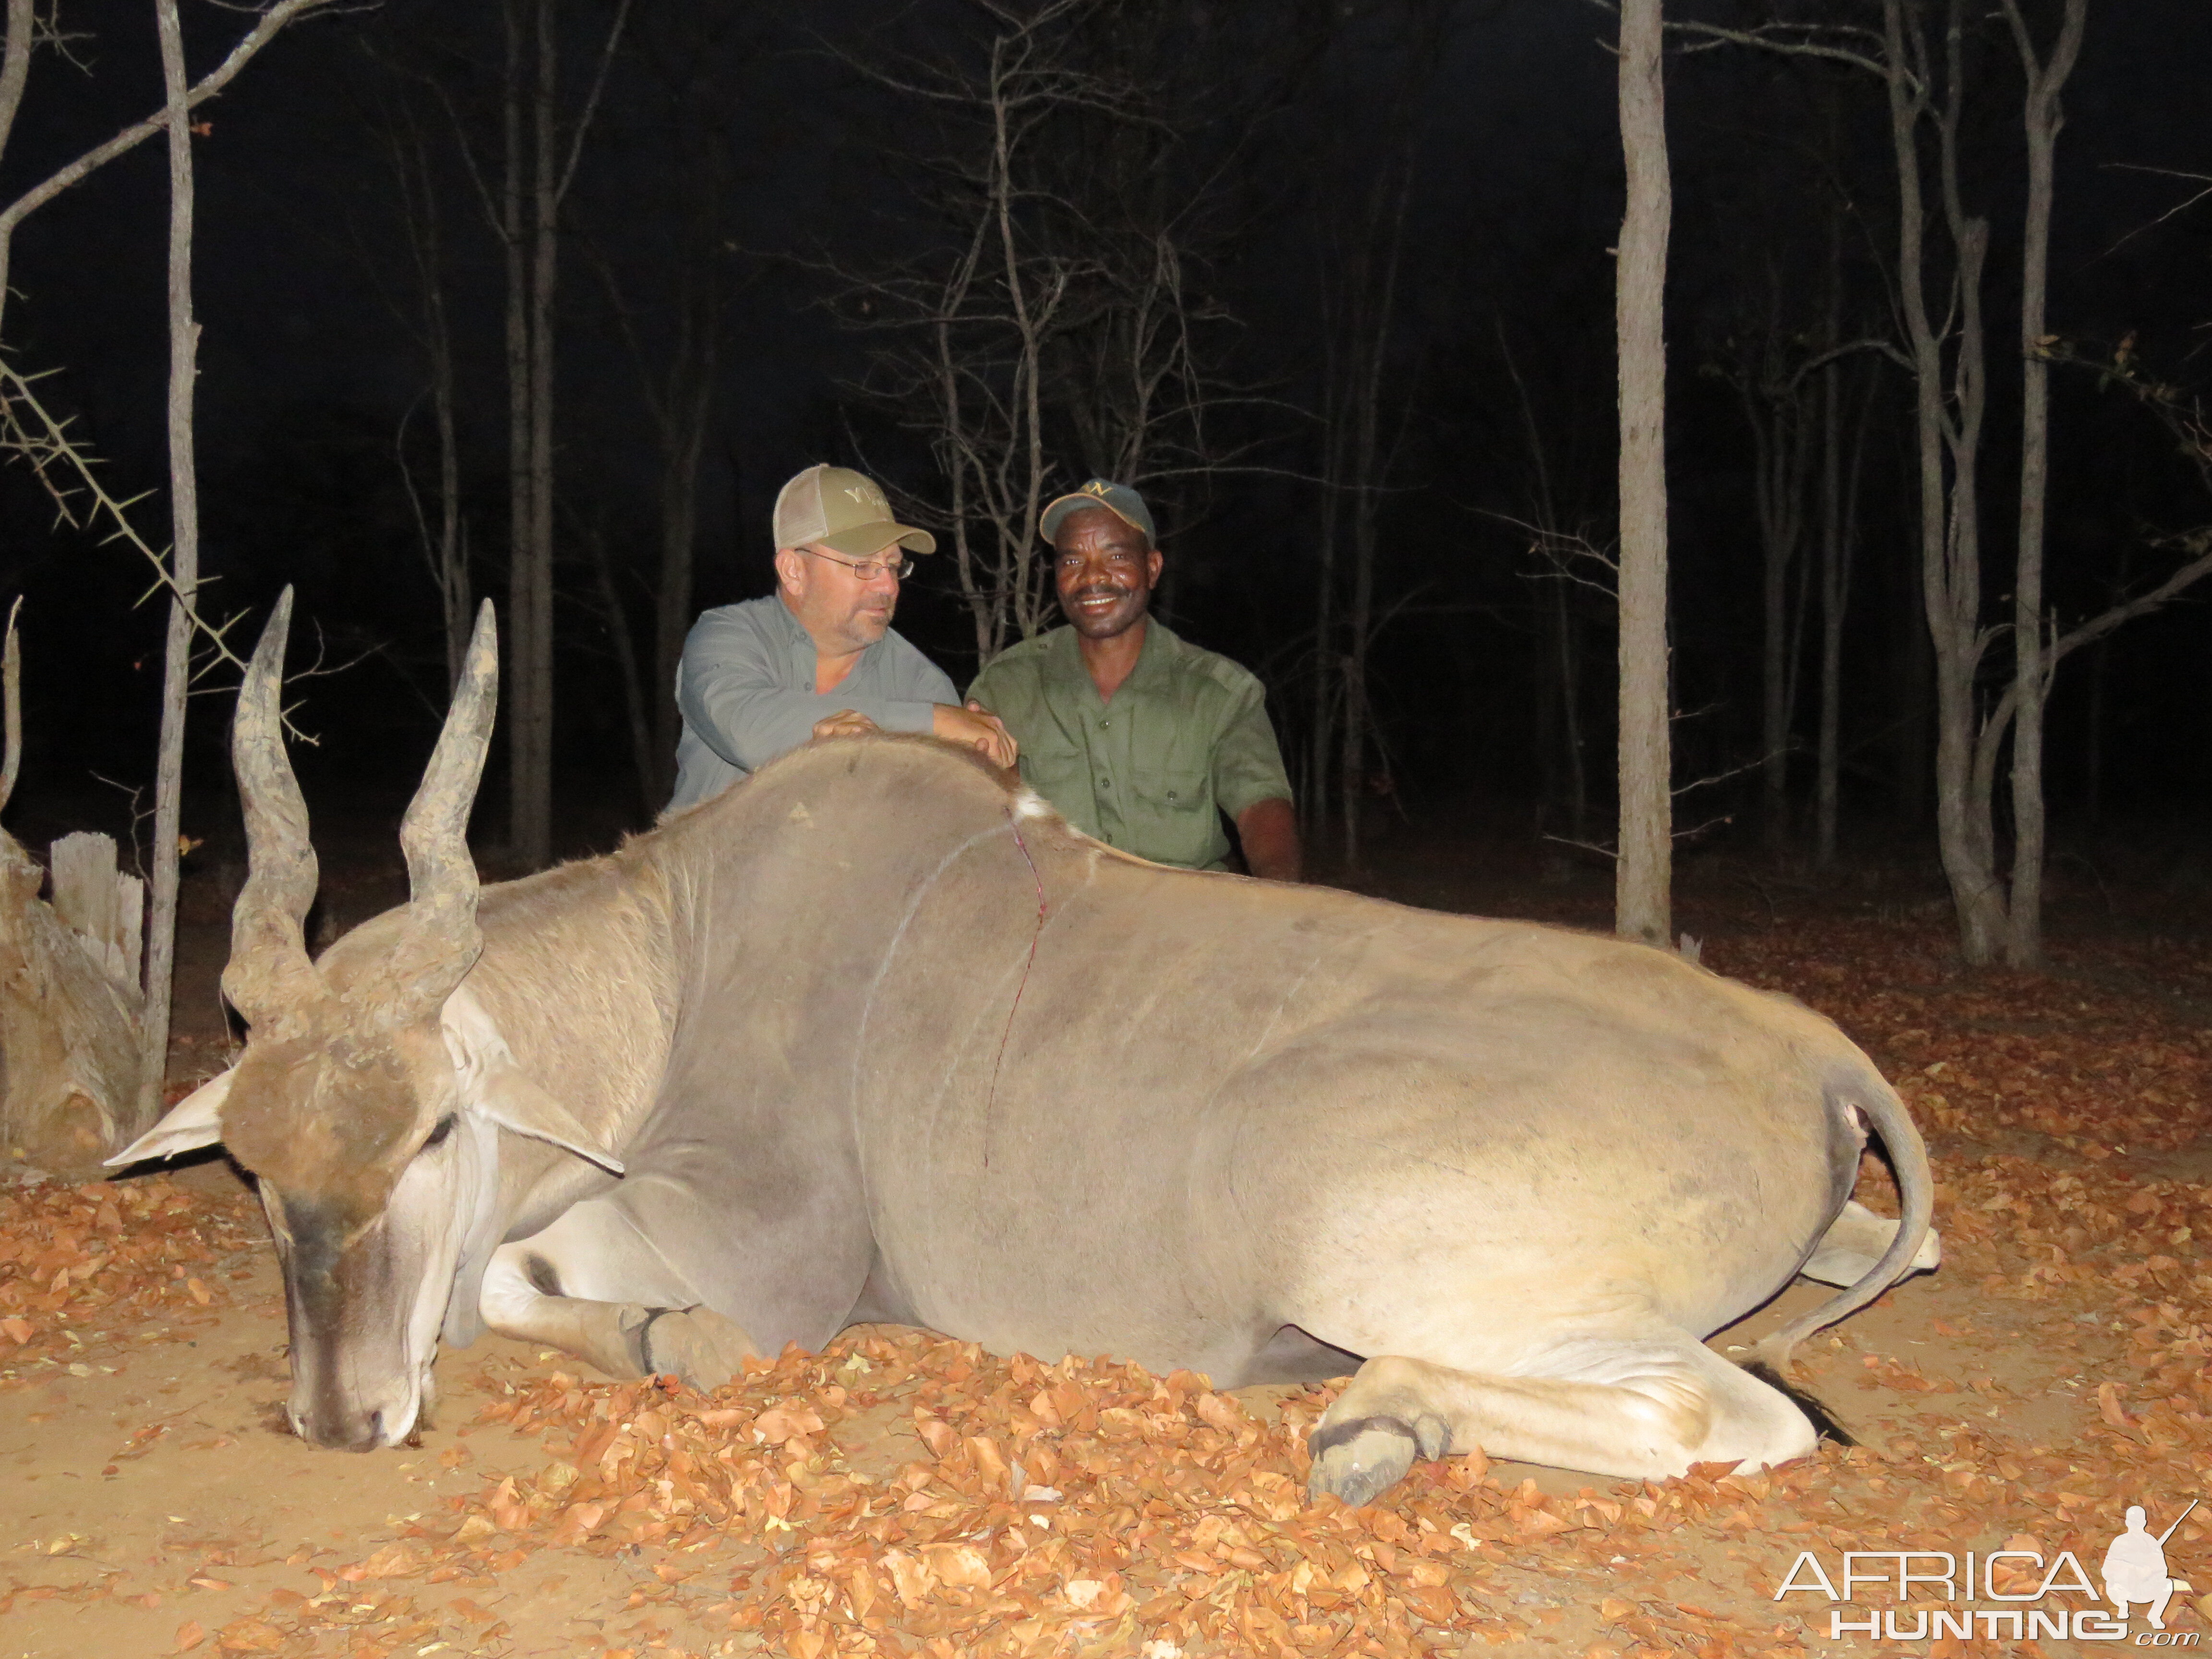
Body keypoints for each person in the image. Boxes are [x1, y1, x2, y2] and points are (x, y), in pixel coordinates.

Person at [966, 478, 1301, 881]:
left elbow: (1262, 806)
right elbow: (976, 812)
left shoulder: (1219, 692)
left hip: (1182, 917)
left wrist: (1279, 900)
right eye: (1072, 561)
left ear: (1152, 568)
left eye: (1116, 556)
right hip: (1054, 918)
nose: (1093, 578)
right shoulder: (1007, 687)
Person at [669, 464, 1015, 810]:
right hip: (703, 863)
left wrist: (989, 766)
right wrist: (934, 723)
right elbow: (750, 730)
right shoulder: (726, 637)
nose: (889, 586)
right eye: (864, 566)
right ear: (794, 571)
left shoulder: (919, 683)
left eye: (894, 566)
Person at [2102, 1505, 2187, 1630]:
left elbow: (2162, 1571)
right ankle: (2123, 1607)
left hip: (2144, 1589)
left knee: (2168, 1584)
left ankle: (2155, 1616)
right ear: (2127, 1523)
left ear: (2144, 1523)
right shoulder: (2120, 1541)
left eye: (2138, 1522)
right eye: (2133, 1522)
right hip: (2122, 1589)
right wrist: (2129, 1569)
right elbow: (2107, 1570)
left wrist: (2149, 1571)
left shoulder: (2151, 1542)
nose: (2136, 1525)